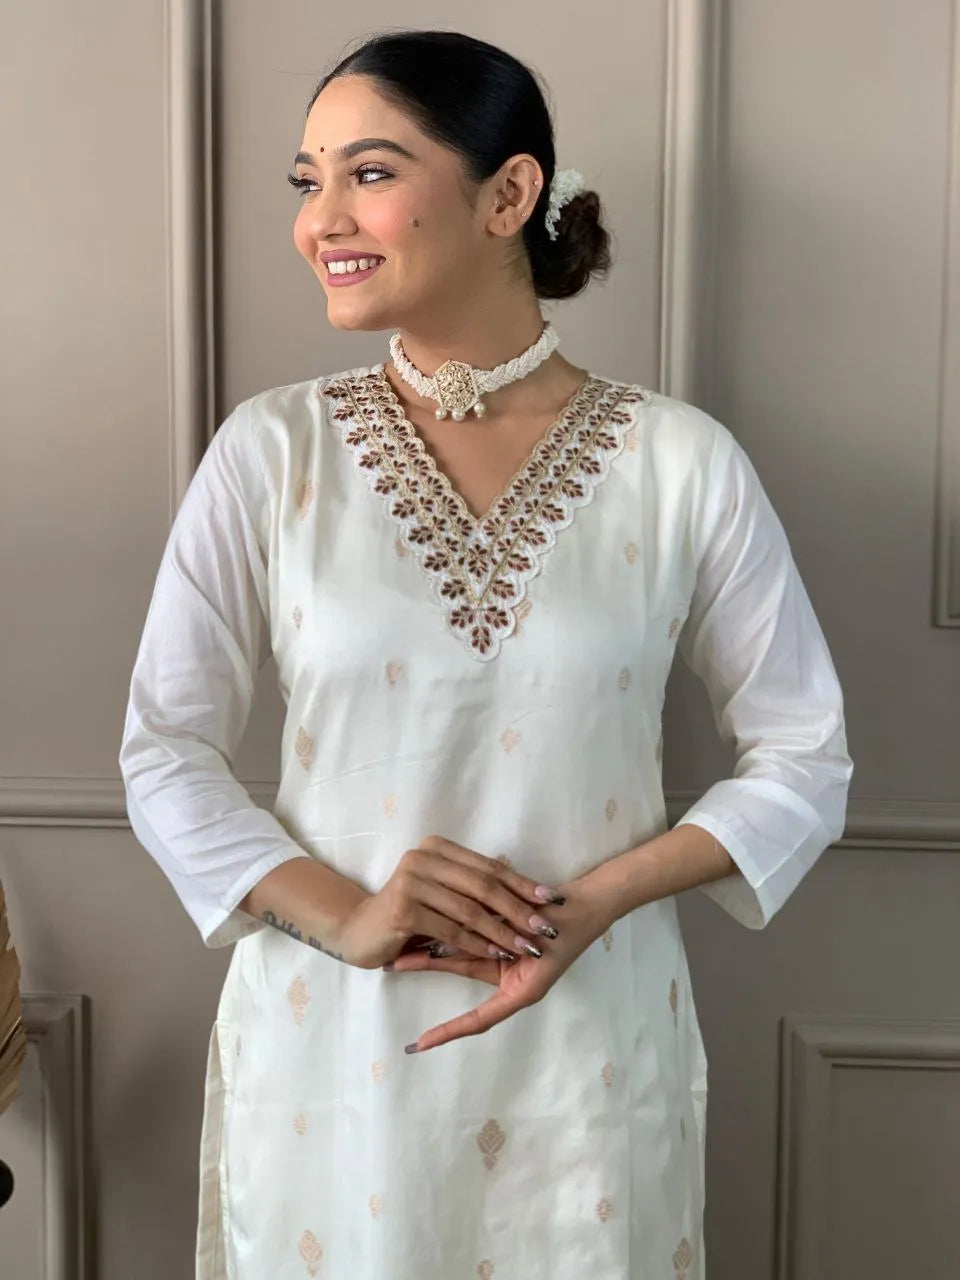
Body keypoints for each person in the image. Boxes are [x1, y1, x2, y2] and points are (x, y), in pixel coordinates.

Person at [118, 27, 853, 1280]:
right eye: (309, 179)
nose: (321, 219)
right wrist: (347, 917)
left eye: (370, 171)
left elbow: (807, 757)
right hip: (335, 1061)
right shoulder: (273, 453)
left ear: (509, 194)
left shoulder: (675, 461)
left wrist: (596, 903)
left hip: (590, 1053)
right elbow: (163, 751)